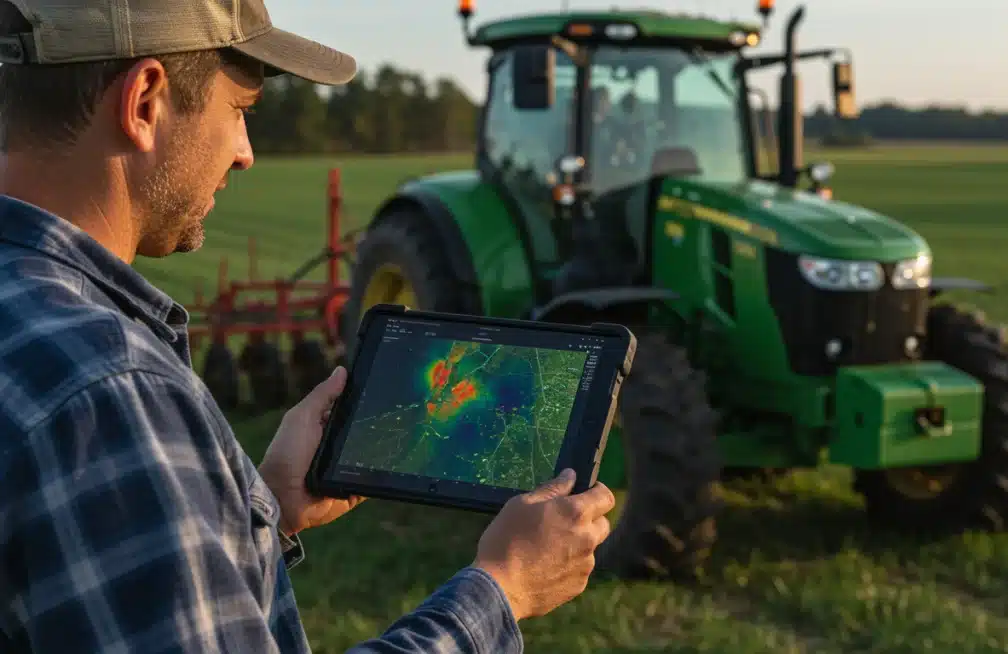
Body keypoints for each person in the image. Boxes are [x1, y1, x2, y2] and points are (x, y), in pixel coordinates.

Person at [0, 0, 616, 652]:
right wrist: (503, 588)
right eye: (239, 111)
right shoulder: (112, 391)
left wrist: (262, 508)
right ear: (145, 101)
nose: (245, 153)